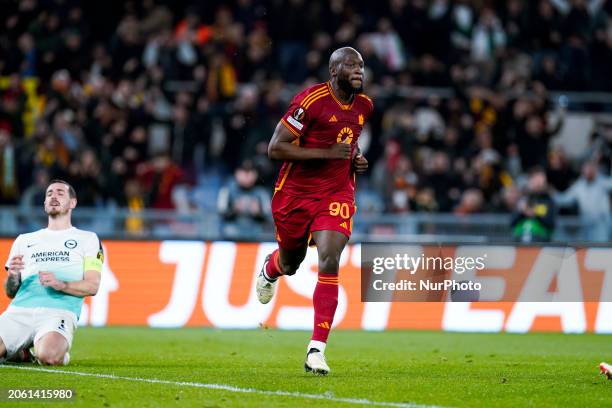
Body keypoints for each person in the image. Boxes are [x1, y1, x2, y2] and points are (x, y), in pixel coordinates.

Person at [255, 47, 372, 375]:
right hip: (295, 195)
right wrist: (328, 153)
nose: (359, 71)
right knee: (292, 262)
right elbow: (275, 148)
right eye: (351, 65)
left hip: (336, 194)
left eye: (361, 66)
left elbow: (348, 144)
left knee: (330, 258)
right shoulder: (310, 101)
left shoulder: (364, 106)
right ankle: (271, 269)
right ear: (334, 71)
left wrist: (355, 159)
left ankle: (316, 349)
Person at [0, 180, 103, 366]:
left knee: (49, 357)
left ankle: (35, 350)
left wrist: (61, 285)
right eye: (49, 194)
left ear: (73, 203)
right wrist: (13, 277)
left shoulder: (88, 239)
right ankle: (21, 353)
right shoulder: (24, 240)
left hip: (59, 312)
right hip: (19, 311)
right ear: (45, 204)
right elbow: (10, 292)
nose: (53, 196)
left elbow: (92, 285)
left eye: (60, 193)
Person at [511, 167, 555, 242]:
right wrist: (522, 212)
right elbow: (512, 222)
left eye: (540, 180)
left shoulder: (548, 201)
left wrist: (535, 213)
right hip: (520, 240)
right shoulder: (522, 198)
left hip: (541, 241)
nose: (538, 183)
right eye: (535, 179)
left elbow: (551, 223)